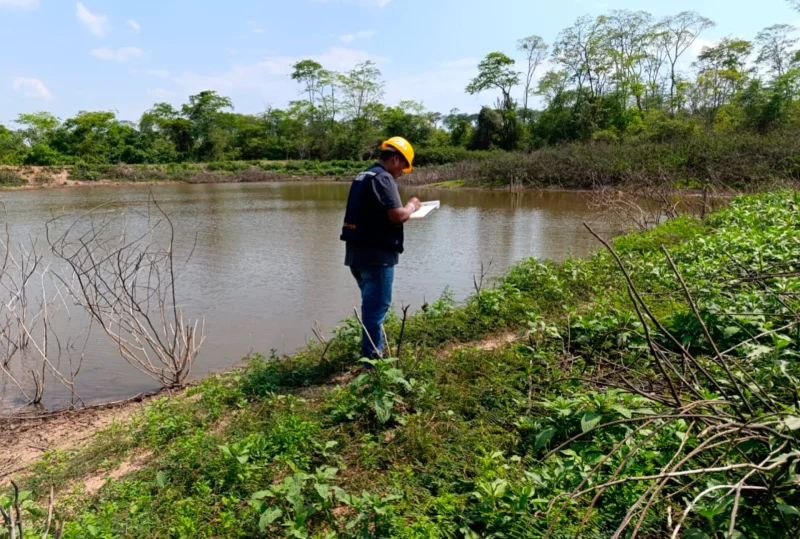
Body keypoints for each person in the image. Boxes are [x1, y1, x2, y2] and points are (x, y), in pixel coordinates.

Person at [340, 137, 421, 363]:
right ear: (395, 158)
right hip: (377, 257)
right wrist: (412, 205)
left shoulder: (363, 175)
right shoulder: (383, 178)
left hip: (356, 255)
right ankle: (373, 363)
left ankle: (371, 355)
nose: (403, 172)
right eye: (403, 166)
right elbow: (398, 216)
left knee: (371, 308)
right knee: (376, 312)